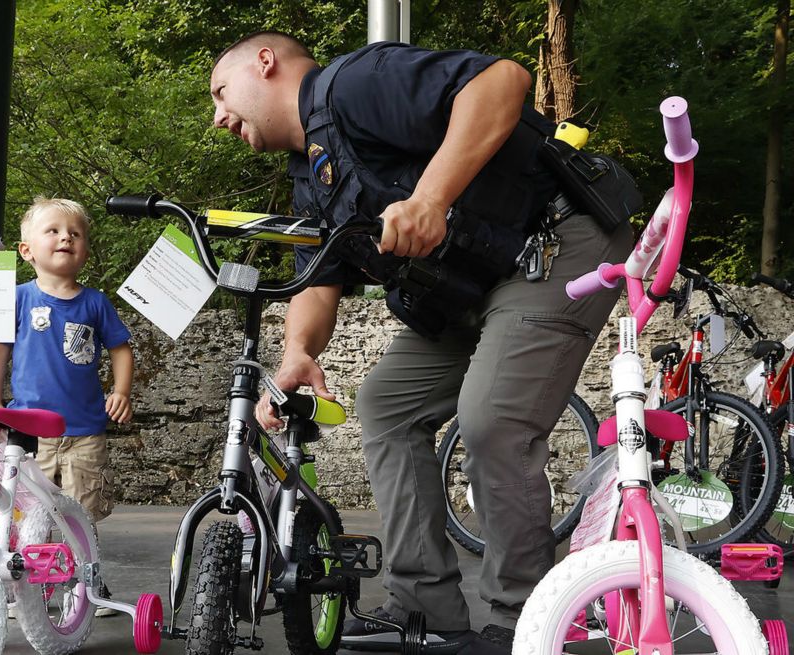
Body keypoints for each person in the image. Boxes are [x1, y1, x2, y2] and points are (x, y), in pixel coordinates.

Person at [210, 32, 632, 654]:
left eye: (221, 93)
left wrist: (430, 198)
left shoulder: (355, 83)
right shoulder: (310, 172)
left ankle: (527, 619)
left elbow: (504, 81)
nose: (219, 117)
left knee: (492, 418)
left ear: (265, 63)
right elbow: (319, 277)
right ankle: (424, 605)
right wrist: (298, 351)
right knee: (387, 403)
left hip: (554, 244)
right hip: (467, 285)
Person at [0, 197, 134, 617]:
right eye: (52, 230)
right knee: (30, 515)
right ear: (26, 249)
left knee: (81, 514)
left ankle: (85, 582)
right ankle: (31, 588)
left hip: (84, 431)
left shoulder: (95, 303)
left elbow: (121, 350)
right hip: (28, 433)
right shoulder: (18, 299)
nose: (66, 236)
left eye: (75, 233)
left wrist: (121, 391)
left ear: (85, 249)